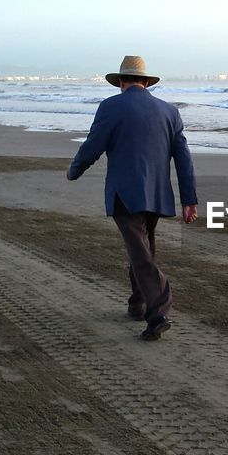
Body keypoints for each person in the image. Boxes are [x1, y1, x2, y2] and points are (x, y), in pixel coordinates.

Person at [67, 55, 198, 341]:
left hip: (124, 193)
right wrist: (190, 200)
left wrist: (75, 170)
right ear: (147, 82)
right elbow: (183, 158)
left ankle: (159, 311)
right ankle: (138, 304)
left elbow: (93, 145)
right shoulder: (169, 112)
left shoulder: (111, 106)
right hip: (157, 194)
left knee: (140, 254)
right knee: (143, 248)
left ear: (121, 82)